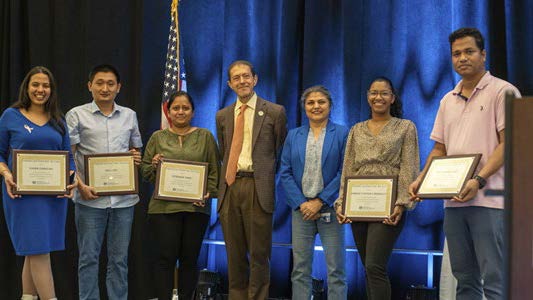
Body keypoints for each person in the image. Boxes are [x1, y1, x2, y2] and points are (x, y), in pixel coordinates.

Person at [409, 27, 520, 300]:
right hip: (454, 202)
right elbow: (439, 147)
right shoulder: (448, 99)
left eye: (469, 51)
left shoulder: (504, 92)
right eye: (456, 53)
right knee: (465, 279)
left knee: (496, 279)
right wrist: (422, 178)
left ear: (483, 54)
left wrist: (478, 180)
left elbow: (510, 143)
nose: (462, 58)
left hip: (491, 201)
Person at [335, 77, 420, 300]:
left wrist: (401, 204)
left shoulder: (405, 127)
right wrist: (341, 201)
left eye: (384, 93)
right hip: (358, 204)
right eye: (373, 92)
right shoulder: (356, 129)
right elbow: (348, 168)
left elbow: (409, 166)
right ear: (367, 97)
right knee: (368, 268)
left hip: (389, 205)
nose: (378, 97)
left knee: (375, 266)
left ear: (392, 98)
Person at [65, 64, 142, 300]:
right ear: (90, 86)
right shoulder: (76, 115)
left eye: (110, 83)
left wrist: (135, 156)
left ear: (118, 87)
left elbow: (135, 149)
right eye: (99, 83)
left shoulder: (129, 115)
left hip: (124, 201)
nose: (105, 88)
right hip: (89, 199)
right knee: (89, 259)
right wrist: (80, 185)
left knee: (119, 260)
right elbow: (69, 157)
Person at [0, 66, 76, 300]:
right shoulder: (10, 116)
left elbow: (69, 159)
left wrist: (71, 180)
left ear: (51, 90)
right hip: (21, 195)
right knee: (38, 250)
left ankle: (27, 297)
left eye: (45, 85)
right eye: (36, 84)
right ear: (27, 87)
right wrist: (6, 174)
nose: (40, 90)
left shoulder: (58, 121)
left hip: (53, 197)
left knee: (34, 252)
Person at [215, 60, 287, 299]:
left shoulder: (275, 112)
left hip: (258, 187)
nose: (242, 81)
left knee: (258, 254)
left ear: (255, 79)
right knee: (234, 254)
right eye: (236, 78)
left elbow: (280, 151)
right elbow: (224, 151)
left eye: (246, 76)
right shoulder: (223, 115)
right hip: (230, 187)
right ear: (229, 84)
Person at [140, 91, 220, 300]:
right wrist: (155, 164)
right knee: (164, 259)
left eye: (185, 108)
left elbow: (214, 172)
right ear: (169, 111)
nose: (180, 112)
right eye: (176, 108)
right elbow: (146, 172)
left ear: (193, 112)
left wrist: (207, 193)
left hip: (195, 209)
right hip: (163, 210)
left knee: (189, 260)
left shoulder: (205, 136)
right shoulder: (158, 137)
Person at [280, 85, 348, 299]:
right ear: (304, 107)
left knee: (336, 270)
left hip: (331, 209)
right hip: (301, 211)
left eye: (321, 102)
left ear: (330, 105)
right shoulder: (293, 136)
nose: (316, 106)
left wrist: (320, 201)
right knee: (300, 270)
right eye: (310, 102)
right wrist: (303, 204)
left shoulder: (343, 133)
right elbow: (285, 172)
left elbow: (344, 171)